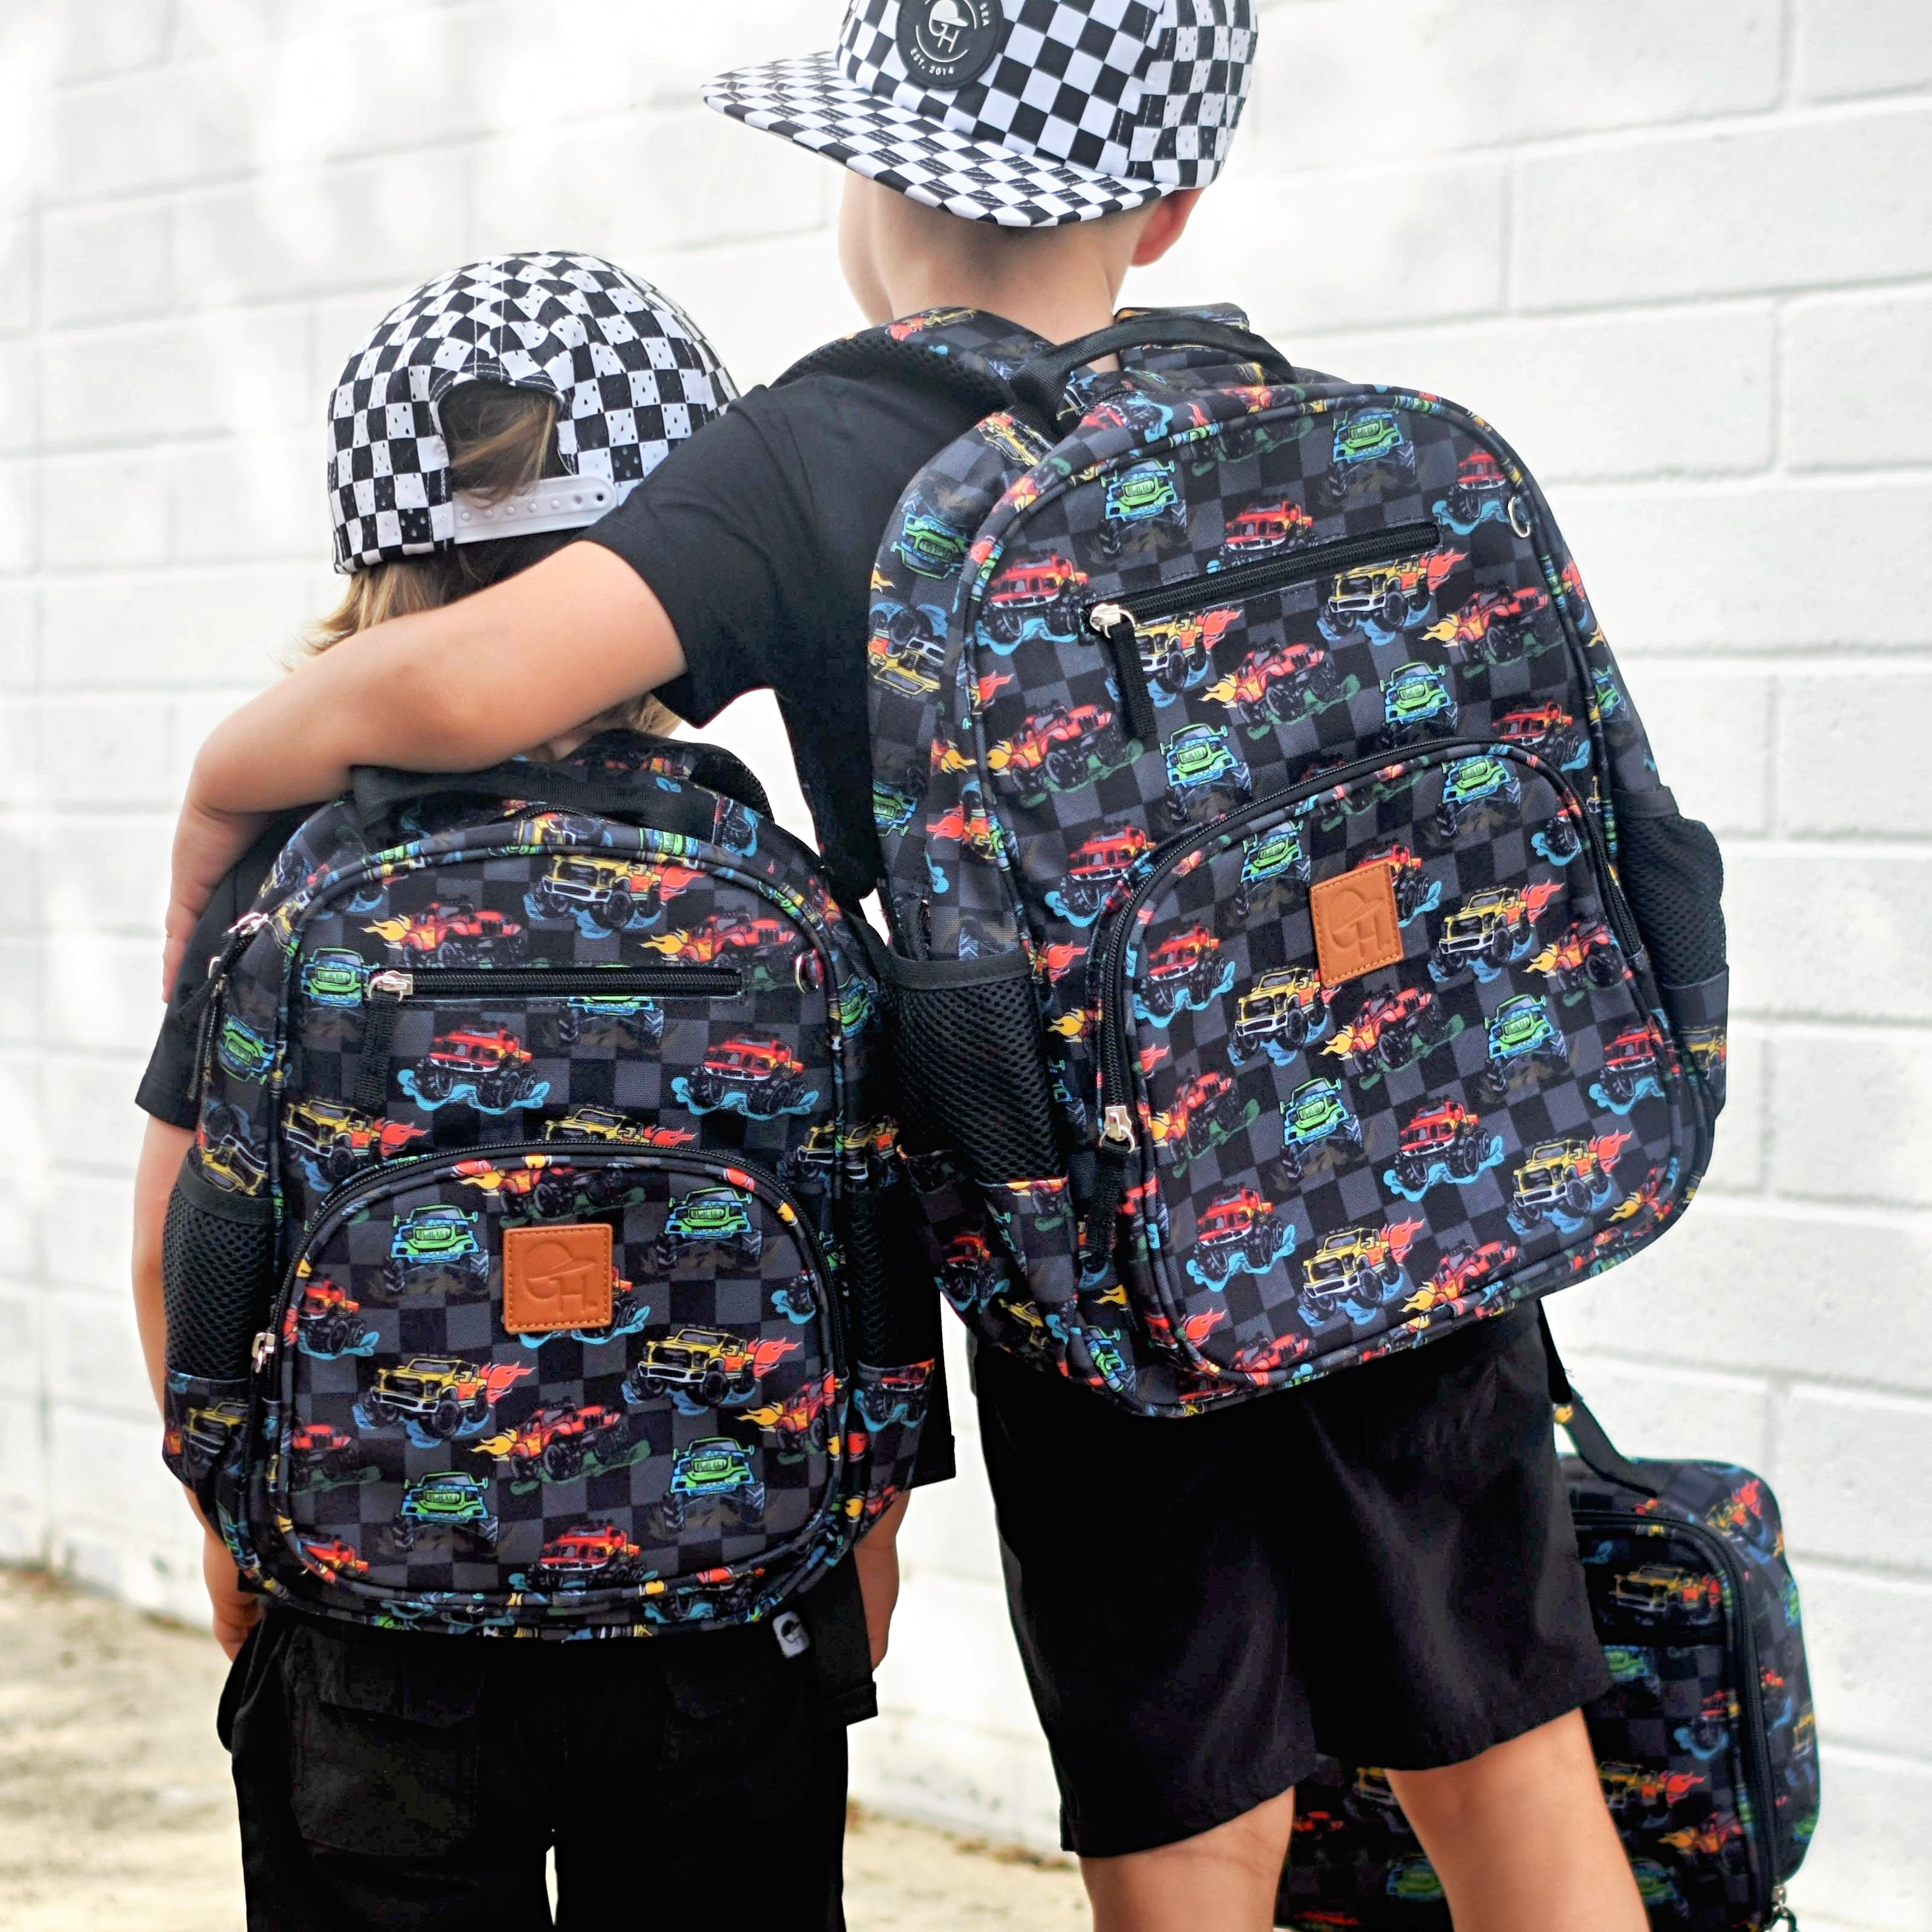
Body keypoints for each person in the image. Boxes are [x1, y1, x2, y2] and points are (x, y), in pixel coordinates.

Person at [158, 11, 1648, 1929]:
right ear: (1171, 212)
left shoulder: (812, 453)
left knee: (1192, 1797)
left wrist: (220, 794)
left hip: (1096, 1263)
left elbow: (466, 685)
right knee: (1508, 1754)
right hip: (1395, 1187)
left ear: (867, 174)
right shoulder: (1273, 418)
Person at [132, 252, 942, 1932]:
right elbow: (875, 1237)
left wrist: (236, 1516)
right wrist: (861, 1534)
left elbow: (177, 1243)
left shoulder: (291, 876)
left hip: (377, 1623)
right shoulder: (763, 876)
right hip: (730, 1613)